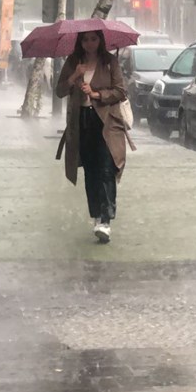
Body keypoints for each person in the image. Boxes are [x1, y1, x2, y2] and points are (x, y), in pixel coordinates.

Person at [55, 31, 130, 243]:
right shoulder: (73, 61)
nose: (90, 43)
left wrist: (96, 94)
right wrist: (73, 76)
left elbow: (120, 91)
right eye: (85, 39)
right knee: (90, 170)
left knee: (107, 167)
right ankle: (97, 216)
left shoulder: (109, 61)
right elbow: (60, 91)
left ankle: (106, 220)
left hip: (107, 122)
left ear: (100, 40)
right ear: (80, 41)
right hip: (83, 121)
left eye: (94, 39)